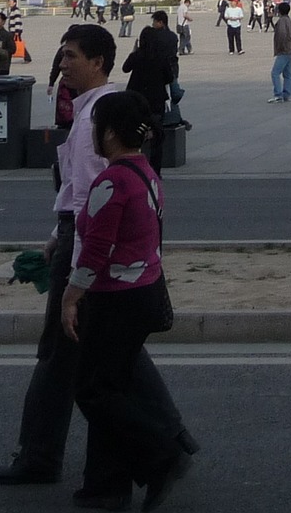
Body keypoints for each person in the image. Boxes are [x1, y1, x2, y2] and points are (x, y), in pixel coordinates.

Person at [0, 26, 195, 491]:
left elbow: (91, 200)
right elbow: (79, 195)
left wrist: (77, 276)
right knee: (112, 353)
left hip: (86, 249)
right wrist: (55, 238)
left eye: (72, 56)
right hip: (79, 242)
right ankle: (173, 441)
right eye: (62, 55)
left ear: (99, 61)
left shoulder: (98, 119)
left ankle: (43, 457)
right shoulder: (92, 113)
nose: (63, 64)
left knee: (62, 353)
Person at [61, 89, 191, 510]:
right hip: (144, 291)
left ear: (110, 133)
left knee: (95, 391)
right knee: (115, 385)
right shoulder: (145, 173)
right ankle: (109, 481)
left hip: (116, 298)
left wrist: (70, 296)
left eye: (98, 127)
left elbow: (96, 251)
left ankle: (161, 455)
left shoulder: (111, 181)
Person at [124, 12, 181, 171]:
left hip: (136, 99)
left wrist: (134, 51)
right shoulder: (160, 57)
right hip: (156, 101)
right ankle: (155, 170)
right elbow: (169, 78)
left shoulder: (137, 55)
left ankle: (135, 167)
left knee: (135, 134)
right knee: (157, 135)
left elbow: (125, 68)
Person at [268, 0, 291, 103]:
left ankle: (278, 94)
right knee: (287, 74)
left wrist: (280, 48)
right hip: (290, 49)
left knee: (275, 73)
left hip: (284, 50)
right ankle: (287, 94)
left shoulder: (281, 22)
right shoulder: (290, 21)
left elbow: (281, 36)